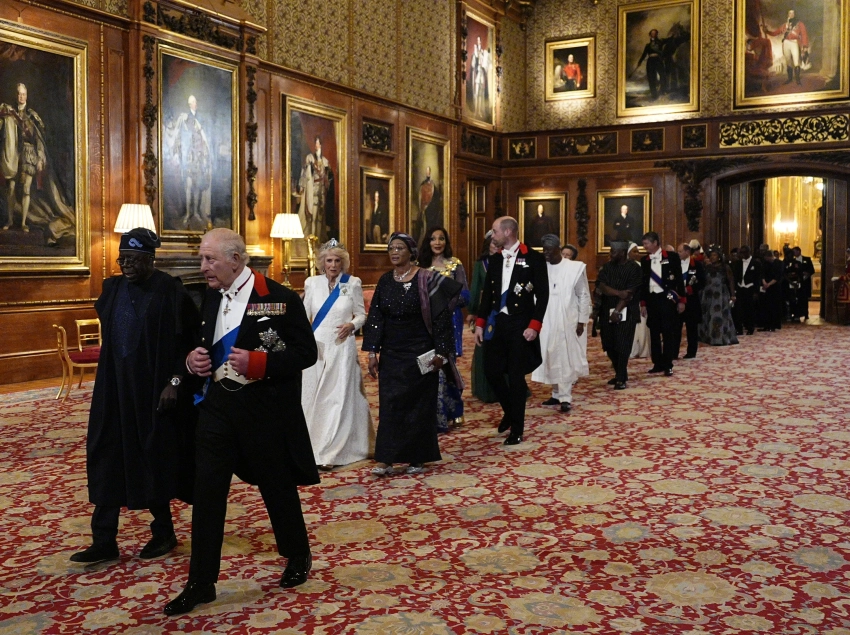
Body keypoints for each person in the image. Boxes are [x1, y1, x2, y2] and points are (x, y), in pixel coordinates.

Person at [164, 229, 319, 616]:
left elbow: (306, 353)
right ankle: (201, 582)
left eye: (209, 259)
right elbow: (200, 343)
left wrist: (260, 363)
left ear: (235, 259)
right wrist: (191, 362)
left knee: (276, 485)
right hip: (216, 409)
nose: (203, 267)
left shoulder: (278, 298)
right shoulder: (211, 295)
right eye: (202, 259)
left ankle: (297, 553)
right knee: (207, 494)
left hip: (262, 410)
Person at [70, 228, 199, 566]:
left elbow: (188, 344)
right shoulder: (111, 289)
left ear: (150, 259)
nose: (126, 265)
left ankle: (164, 532)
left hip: (153, 392)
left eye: (133, 259)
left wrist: (175, 381)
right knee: (107, 454)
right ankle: (103, 540)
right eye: (122, 259)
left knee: (151, 457)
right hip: (113, 390)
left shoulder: (170, 291)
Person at [363, 233, 461, 475]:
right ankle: (386, 459)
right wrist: (372, 352)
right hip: (392, 353)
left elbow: (441, 317)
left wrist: (442, 352)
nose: (394, 252)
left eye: (399, 248)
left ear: (411, 252)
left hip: (421, 352)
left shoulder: (427, 278)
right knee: (390, 406)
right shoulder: (386, 280)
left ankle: (417, 457)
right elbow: (376, 317)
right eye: (391, 248)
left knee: (419, 406)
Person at [474, 216, 549, 446]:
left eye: (495, 231)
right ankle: (510, 410)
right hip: (497, 323)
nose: (492, 235)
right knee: (491, 370)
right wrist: (480, 323)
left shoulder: (533, 257)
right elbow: (487, 295)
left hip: (521, 324)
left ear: (507, 232)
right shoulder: (495, 259)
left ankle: (517, 429)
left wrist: (534, 326)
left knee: (516, 377)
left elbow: (543, 295)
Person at [301, 240, 371, 469]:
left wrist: (352, 325)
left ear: (343, 263)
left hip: (342, 346)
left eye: (337, 260)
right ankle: (311, 446)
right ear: (322, 262)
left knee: (337, 397)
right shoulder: (312, 283)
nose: (333, 265)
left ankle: (331, 452)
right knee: (315, 396)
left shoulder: (352, 283)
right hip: (318, 346)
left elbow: (361, 315)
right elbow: (304, 316)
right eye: (329, 260)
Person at [0, 82, 76, 243]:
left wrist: (40, 157)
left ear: (26, 96)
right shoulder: (9, 113)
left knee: (26, 188)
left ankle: (23, 223)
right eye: (19, 94)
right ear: (16, 95)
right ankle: (10, 220)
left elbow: (39, 139)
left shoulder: (32, 115)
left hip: (28, 154)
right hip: (13, 154)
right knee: (11, 188)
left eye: (23, 94)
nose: (21, 97)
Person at [418, 227, 470, 432]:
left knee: (448, 365)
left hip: (450, 320)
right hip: (426, 321)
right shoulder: (420, 266)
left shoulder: (455, 264)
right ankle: (431, 413)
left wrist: (445, 302)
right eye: (433, 239)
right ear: (427, 242)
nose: (437, 242)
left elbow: (465, 295)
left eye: (441, 238)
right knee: (429, 365)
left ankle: (454, 411)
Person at [532, 234, 591, 412]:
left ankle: (566, 397)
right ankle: (556, 393)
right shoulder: (541, 267)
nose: (546, 254)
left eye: (549, 251)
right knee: (550, 355)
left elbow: (583, 295)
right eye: (544, 251)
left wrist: (582, 321)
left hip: (567, 319)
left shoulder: (574, 268)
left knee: (565, 357)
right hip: (546, 319)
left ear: (558, 249)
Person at [593, 241, 642, 390]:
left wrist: (617, 311)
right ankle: (620, 372)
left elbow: (630, 293)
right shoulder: (607, 267)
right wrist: (618, 293)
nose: (611, 254)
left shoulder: (634, 268)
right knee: (609, 344)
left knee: (623, 344)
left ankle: (621, 377)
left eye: (614, 251)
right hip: (606, 309)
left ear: (622, 252)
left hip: (627, 310)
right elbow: (601, 285)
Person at [640, 232, 686, 377]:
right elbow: (643, 284)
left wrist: (682, 300)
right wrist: (643, 303)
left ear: (655, 243)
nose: (644, 246)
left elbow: (679, 280)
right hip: (652, 299)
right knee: (653, 332)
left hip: (667, 299)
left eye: (646, 243)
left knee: (667, 332)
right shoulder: (645, 260)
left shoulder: (671, 257)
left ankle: (668, 364)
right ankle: (657, 363)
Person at [466, 232, 499, 403]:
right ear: (487, 245)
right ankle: (486, 389)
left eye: (498, 243)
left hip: (505, 310)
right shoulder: (481, 264)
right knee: (485, 347)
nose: (496, 246)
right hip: (486, 312)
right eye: (492, 243)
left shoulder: (510, 261)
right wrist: (472, 311)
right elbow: (475, 288)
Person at [171, 95, 212, 229]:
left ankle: (196, 213)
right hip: (189, 159)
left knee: (197, 187)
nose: (193, 104)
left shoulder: (200, 121)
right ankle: (188, 213)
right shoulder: (184, 119)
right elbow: (178, 136)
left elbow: (205, 139)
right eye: (191, 103)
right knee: (188, 186)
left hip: (198, 159)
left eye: (194, 102)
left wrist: (206, 155)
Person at [699, 246, 739, 346]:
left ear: (719, 256)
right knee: (707, 315)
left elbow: (731, 280)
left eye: (715, 255)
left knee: (718, 315)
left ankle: (719, 338)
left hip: (720, 294)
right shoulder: (706, 267)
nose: (713, 257)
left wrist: (733, 295)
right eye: (711, 255)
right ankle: (707, 336)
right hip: (708, 293)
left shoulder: (725, 267)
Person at [297, 136, 334, 240]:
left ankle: (318, 238)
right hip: (312, 189)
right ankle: (312, 237)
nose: (316, 145)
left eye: (318, 143)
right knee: (313, 216)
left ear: (321, 145)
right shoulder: (310, 158)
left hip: (321, 191)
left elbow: (329, 177)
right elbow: (305, 173)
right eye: (315, 143)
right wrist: (302, 186)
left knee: (320, 217)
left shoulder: (325, 161)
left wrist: (327, 179)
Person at [675, 243, 705, 359]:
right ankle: (674, 352)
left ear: (687, 252)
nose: (678, 253)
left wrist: (689, 289)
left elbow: (702, 282)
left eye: (680, 251)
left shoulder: (697, 265)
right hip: (677, 300)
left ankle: (691, 352)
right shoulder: (675, 264)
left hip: (691, 300)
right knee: (676, 327)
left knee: (691, 327)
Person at [767, 10, 808, 86]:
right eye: (790, 13)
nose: (791, 14)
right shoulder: (785, 25)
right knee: (788, 61)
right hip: (786, 43)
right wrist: (767, 31)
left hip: (794, 43)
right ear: (788, 14)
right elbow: (776, 32)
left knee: (796, 61)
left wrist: (805, 45)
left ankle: (798, 79)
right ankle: (789, 79)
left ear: (795, 14)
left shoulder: (799, 24)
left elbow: (804, 34)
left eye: (793, 13)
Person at [627, 242, 651, 359]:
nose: (637, 253)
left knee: (642, 325)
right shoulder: (622, 266)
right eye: (634, 251)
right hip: (626, 301)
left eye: (638, 251)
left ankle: (642, 350)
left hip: (639, 300)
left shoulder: (641, 266)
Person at [731, 245, 761, 335]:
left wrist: (756, 292)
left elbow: (758, 278)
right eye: (741, 252)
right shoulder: (738, 263)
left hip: (750, 288)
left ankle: (750, 328)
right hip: (740, 288)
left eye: (744, 252)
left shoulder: (756, 263)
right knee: (739, 310)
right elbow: (735, 277)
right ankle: (739, 329)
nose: (742, 254)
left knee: (750, 309)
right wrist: (734, 290)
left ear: (749, 252)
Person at [785, 246, 815, 320]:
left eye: (794, 251)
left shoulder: (807, 259)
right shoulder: (792, 261)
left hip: (805, 282)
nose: (793, 253)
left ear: (799, 251)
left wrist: (807, 273)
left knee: (805, 298)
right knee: (797, 298)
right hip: (796, 282)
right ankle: (797, 313)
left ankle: (806, 313)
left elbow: (812, 270)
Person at [635, 29, 667, 99]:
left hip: (658, 60)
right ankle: (654, 94)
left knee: (663, 75)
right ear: (650, 35)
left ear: (657, 34)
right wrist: (639, 62)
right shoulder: (648, 45)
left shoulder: (660, 42)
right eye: (652, 33)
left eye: (655, 33)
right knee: (651, 78)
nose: (653, 34)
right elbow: (644, 54)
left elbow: (668, 40)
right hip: (650, 62)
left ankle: (663, 91)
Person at [758, 249, 784, 331]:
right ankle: (766, 325)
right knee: (765, 306)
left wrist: (769, 284)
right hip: (766, 287)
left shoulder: (779, 263)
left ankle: (774, 325)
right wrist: (764, 282)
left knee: (774, 306)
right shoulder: (765, 263)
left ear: (769, 257)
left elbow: (778, 276)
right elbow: (762, 274)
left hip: (775, 287)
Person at [416, 166, 441, 246]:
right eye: (426, 172)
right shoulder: (422, 185)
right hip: (424, 210)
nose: (428, 173)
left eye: (429, 172)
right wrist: (422, 208)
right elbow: (420, 198)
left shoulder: (433, 186)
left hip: (430, 211)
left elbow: (436, 199)